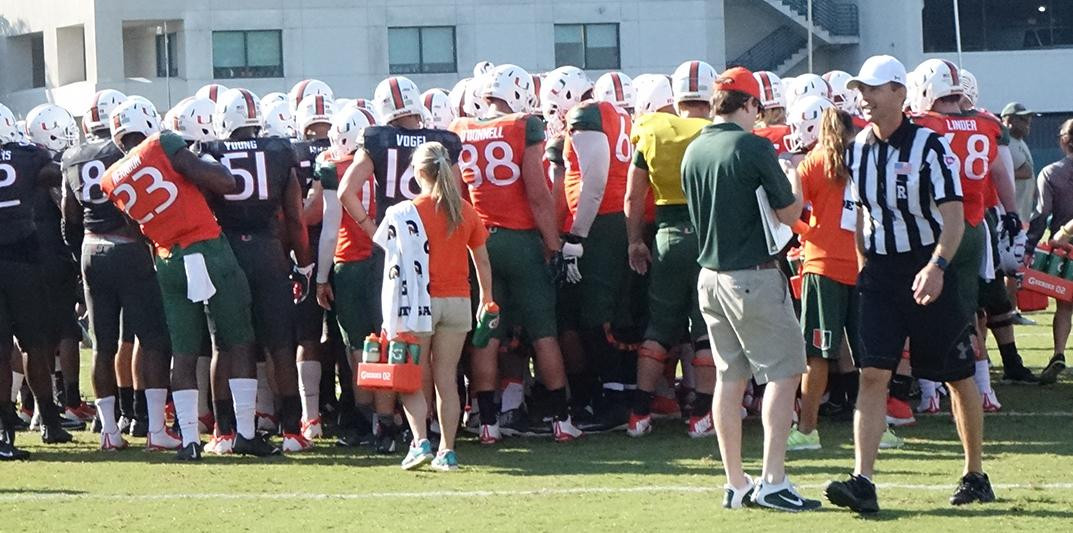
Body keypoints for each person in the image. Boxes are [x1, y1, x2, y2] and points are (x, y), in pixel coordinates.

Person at [825, 55, 993, 513]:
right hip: (881, 270)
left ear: (899, 93)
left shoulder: (930, 146)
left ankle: (975, 472)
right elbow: (860, 211)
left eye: (874, 89)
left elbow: (955, 219)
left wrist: (937, 266)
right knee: (874, 372)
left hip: (928, 264)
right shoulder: (857, 147)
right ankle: (863, 479)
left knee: (957, 376)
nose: (865, 97)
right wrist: (864, 264)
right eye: (862, 89)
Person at [100, 99, 277, 460]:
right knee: (238, 340)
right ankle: (244, 432)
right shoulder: (161, 143)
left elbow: (137, 229)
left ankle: (190, 441)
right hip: (208, 248)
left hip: (168, 258)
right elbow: (224, 182)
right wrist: (207, 163)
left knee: (182, 352)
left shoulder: (110, 179)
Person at [682, 66, 818, 512]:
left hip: (710, 277)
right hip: (752, 274)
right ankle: (773, 479)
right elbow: (788, 212)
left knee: (729, 378)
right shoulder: (753, 146)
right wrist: (794, 175)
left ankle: (735, 482)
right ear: (749, 104)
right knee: (784, 373)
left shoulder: (694, 148)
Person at [337, 75, 465, 452]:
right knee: (428, 348)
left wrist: (372, 228)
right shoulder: (442, 141)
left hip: (394, 254)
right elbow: (458, 195)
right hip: (435, 253)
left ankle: (387, 427)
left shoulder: (376, 139)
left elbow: (347, 190)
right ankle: (426, 430)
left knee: (394, 340)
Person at [449, 64, 574, 443]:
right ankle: (561, 421)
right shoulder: (522, 125)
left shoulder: (460, 129)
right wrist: (553, 245)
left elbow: (459, 197)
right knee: (543, 332)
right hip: (520, 241)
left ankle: (487, 424)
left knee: (487, 334)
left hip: (480, 242)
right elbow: (537, 193)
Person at [60, 94, 181, 452]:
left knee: (102, 344)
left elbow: (68, 216)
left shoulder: (72, 156)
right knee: (154, 339)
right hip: (130, 247)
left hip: (90, 249)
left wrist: (79, 251)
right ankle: (156, 428)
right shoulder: (132, 154)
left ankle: (110, 431)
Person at [200, 88, 315, 453]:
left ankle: (225, 431)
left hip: (226, 251)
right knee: (281, 345)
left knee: (227, 345)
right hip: (268, 252)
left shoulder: (209, 153)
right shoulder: (280, 150)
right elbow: (295, 217)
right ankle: (293, 431)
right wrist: (305, 261)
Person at [383, 141, 492, 471]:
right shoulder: (464, 210)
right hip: (459, 300)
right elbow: (482, 261)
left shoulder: (405, 213)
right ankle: (447, 450)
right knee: (447, 379)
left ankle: (420, 441)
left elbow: (392, 265)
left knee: (412, 377)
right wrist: (486, 298)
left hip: (419, 301)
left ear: (418, 173)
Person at [625, 66, 713, 438]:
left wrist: (634, 241)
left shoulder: (651, 129)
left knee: (659, 326)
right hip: (708, 236)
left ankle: (640, 414)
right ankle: (701, 416)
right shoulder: (717, 132)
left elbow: (633, 196)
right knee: (707, 328)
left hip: (666, 234)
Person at [785, 105, 864, 452]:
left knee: (817, 355)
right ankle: (879, 424)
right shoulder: (864, 159)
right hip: (862, 265)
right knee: (870, 356)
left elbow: (787, 211)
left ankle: (807, 430)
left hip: (822, 266)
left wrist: (808, 232)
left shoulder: (813, 163)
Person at [0, 102, 71, 459]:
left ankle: (4, 431)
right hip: (24, 259)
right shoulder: (28, 155)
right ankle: (48, 420)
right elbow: (55, 171)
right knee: (35, 344)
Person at [1029, 118, 1073, 385]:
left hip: (1065, 247)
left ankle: (1058, 352)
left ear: (1062, 141)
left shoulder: (1050, 172)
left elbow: (1041, 213)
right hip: (1065, 241)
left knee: (1065, 306)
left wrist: (1030, 244)